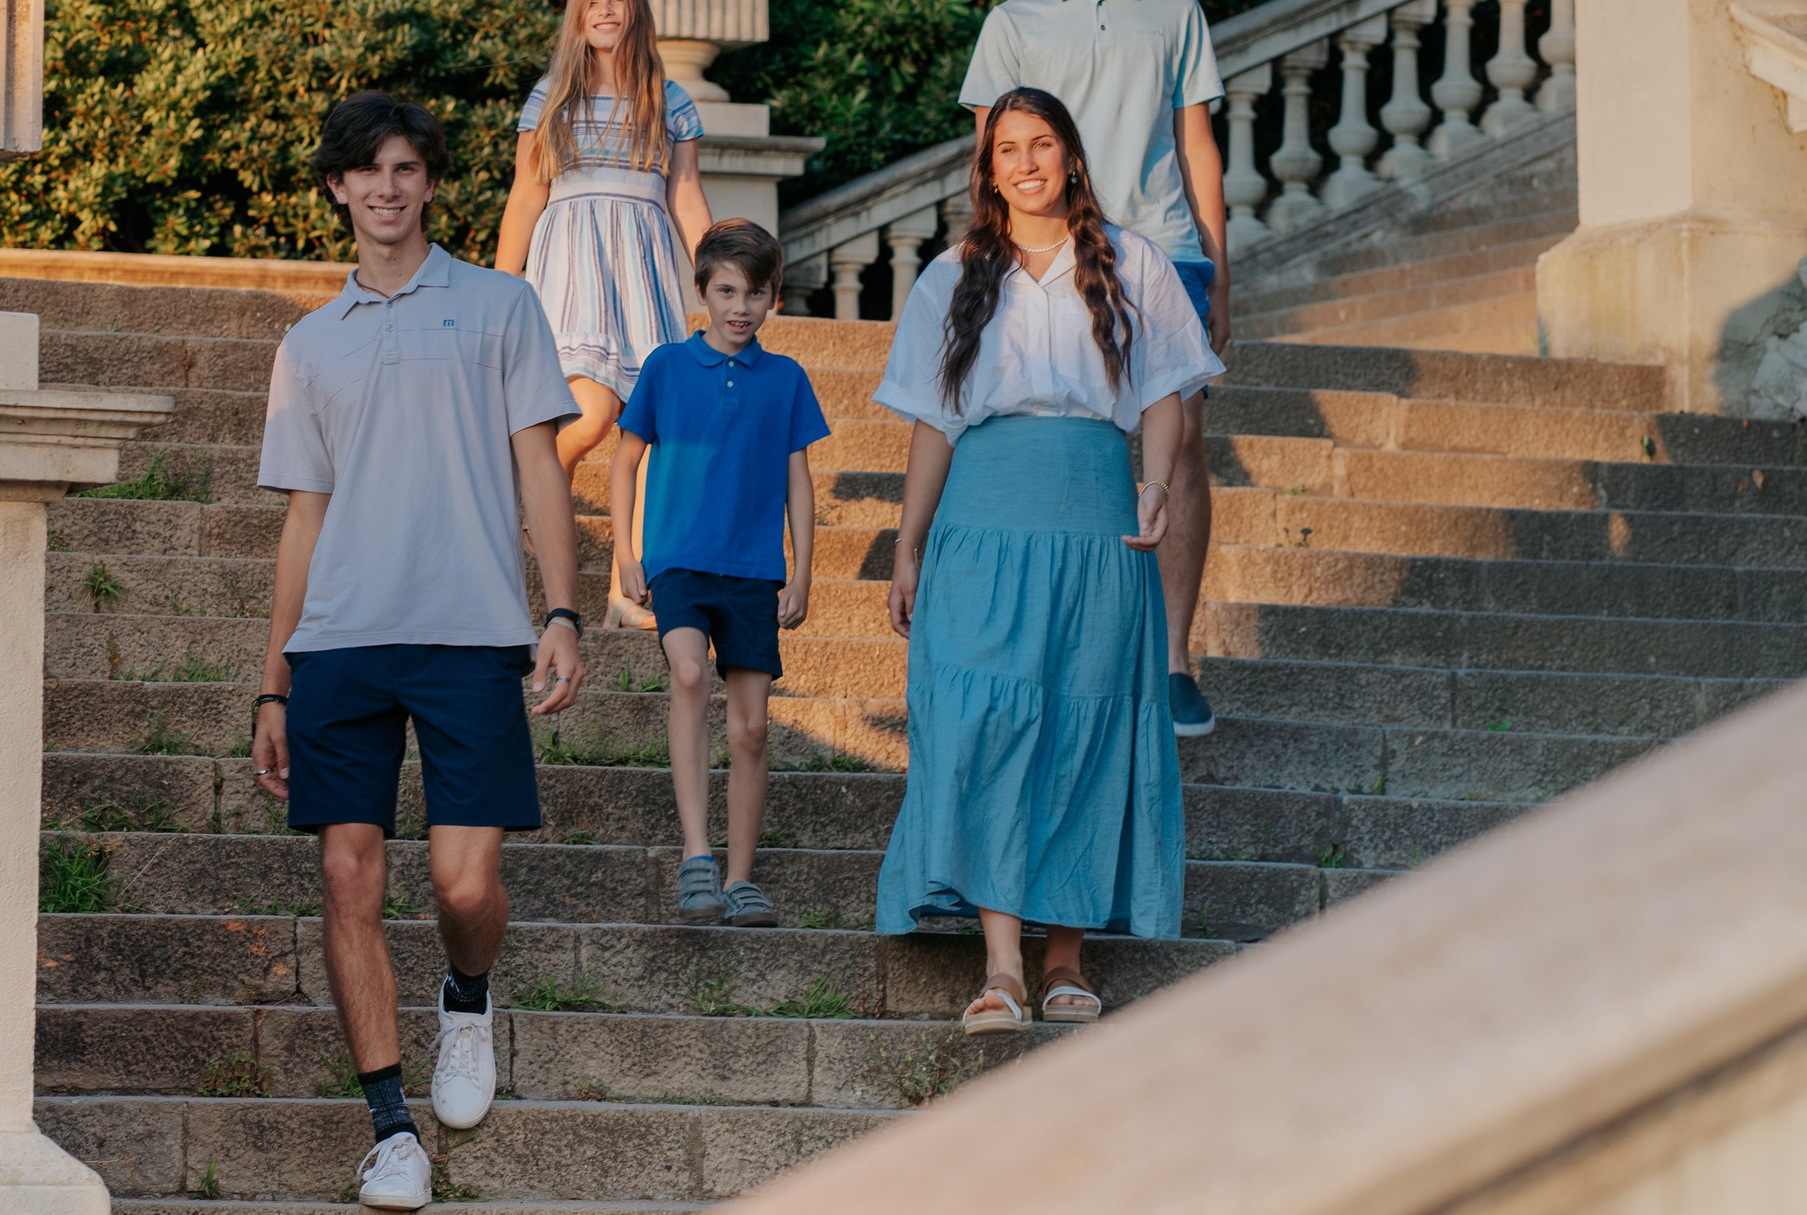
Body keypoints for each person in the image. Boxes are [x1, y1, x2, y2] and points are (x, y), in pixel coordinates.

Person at [250, 92, 588, 1211]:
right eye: (366, 172)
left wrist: (561, 608)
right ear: (338, 189)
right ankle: (390, 1127)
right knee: (347, 872)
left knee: (462, 879)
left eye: (405, 168)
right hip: (341, 639)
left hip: (468, 629)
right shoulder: (309, 341)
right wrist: (272, 676)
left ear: (429, 181)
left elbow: (540, 463)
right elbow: (303, 516)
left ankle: (468, 989)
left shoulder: (498, 306)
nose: (386, 187)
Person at [872, 87, 1222, 1036]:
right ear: (988, 170)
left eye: (1042, 144)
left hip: (1098, 518)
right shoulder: (951, 275)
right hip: (984, 517)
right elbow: (935, 426)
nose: (1025, 162)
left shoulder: (1136, 264)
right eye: (1006, 150)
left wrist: (1153, 484)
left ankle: (1064, 959)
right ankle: (999, 966)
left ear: (1071, 153)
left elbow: (1162, 398)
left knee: (1083, 726)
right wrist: (907, 547)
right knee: (984, 721)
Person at [959, 0, 1228, 738]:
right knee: (1075, 434)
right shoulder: (1014, 24)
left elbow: (1196, 143)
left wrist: (1220, 270)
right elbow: (991, 155)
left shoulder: (1176, 12)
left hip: (1165, 243)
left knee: (1182, 434)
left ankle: (1175, 659)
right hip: (1053, 247)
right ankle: (1083, 637)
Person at [607, 219, 829, 929]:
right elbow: (623, 460)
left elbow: (799, 481)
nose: (740, 306)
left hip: (754, 571)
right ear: (702, 290)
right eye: (727, 290)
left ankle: (739, 878)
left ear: (773, 300)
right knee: (690, 674)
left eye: (755, 293)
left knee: (754, 728)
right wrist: (626, 552)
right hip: (678, 561)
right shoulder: (666, 367)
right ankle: (696, 855)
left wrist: (802, 572)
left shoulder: (787, 379)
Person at [495, 0, 716, 478]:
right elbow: (527, 195)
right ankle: (527, 488)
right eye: (592, 1)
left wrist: (717, 274)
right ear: (577, 16)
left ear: (636, 11)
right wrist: (502, 284)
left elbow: (685, 198)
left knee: (648, 438)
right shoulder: (551, 95)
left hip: (643, 272)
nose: (605, 10)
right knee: (591, 415)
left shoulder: (668, 98)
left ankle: (633, 561)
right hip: (574, 268)